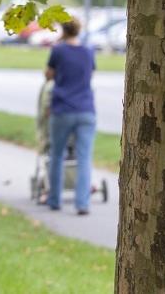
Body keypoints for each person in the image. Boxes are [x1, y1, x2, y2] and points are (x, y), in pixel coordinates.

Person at [44, 19, 96, 215]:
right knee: (84, 157)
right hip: (86, 110)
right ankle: (82, 203)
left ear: (63, 30)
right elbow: (90, 75)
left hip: (62, 109)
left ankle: (55, 200)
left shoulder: (58, 51)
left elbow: (49, 75)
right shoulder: (88, 51)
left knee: (57, 155)